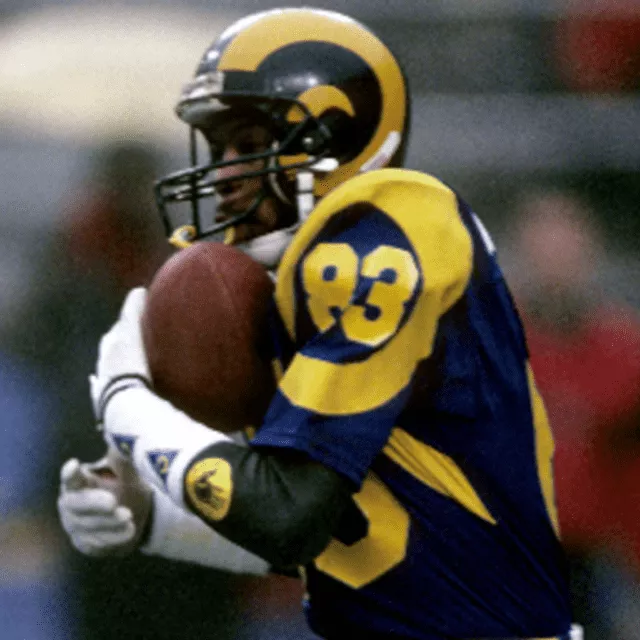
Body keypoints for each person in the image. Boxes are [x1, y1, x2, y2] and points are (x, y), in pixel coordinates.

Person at [57, 8, 579, 640]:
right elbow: (352, 541)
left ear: (336, 137)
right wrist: (150, 517)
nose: (221, 177)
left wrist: (128, 407)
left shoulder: (389, 228)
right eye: (219, 151)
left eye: (249, 145)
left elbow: (288, 517)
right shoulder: (312, 293)